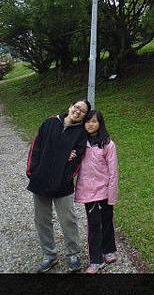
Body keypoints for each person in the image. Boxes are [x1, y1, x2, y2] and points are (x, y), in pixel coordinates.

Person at [26, 99, 91, 272]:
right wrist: (33, 172)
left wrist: (65, 177)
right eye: (76, 107)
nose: (78, 111)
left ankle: (73, 253)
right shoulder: (50, 122)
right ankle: (49, 255)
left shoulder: (80, 133)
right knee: (42, 220)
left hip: (63, 185)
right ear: (70, 106)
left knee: (68, 220)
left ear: (84, 116)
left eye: (82, 111)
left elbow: (78, 159)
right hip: (40, 181)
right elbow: (36, 147)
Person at [74, 110, 119, 274]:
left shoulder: (107, 144)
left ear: (100, 123)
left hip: (105, 190)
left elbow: (113, 171)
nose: (90, 124)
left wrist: (112, 194)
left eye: (94, 121)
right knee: (94, 226)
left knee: (107, 221)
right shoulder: (80, 143)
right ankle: (96, 260)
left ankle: (108, 250)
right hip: (88, 191)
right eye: (87, 121)